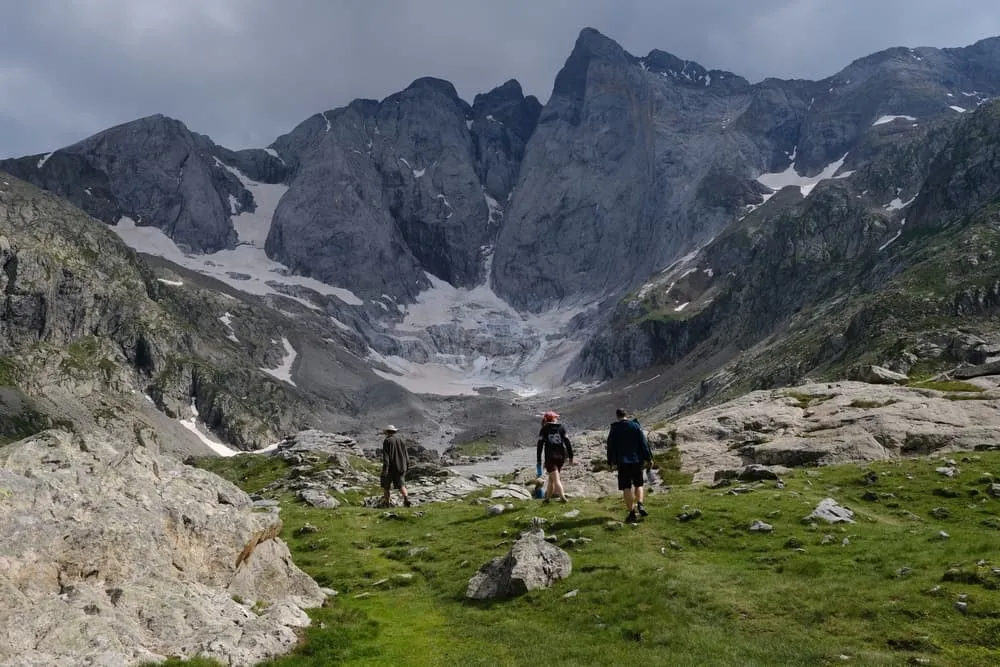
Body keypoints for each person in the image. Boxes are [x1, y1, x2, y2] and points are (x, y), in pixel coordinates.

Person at [606, 408, 652, 523]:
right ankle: (640, 504)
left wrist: (610, 462)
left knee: (626, 487)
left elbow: (610, 446)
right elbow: (643, 443)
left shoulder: (614, 429)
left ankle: (631, 513)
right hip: (637, 460)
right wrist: (649, 458)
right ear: (627, 415)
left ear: (617, 416)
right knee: (639, 484)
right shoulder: (635, 426)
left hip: (622, 462)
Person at [536, 410, 573, 503]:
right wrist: (571, 456)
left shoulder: (544, 429)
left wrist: (539, 460)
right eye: (556, 417)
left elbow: (539, 445)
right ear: (553, 419)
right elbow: (567, 442)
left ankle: (562, 497)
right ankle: (547, 498)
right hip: (561, 457)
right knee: (551, 478)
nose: (557, 418)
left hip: (550, 457)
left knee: (555, 479)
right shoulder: (561, 428)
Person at [380, 425, 411, 507]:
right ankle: (406, 499)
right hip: (401, 467)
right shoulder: (401, 440)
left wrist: (385, 471)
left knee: (386, 487)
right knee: (401, 485)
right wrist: (407, 465)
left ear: (387, 432)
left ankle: (387, 504)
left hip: (391, 468)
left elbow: (386, 458)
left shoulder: (387, 441)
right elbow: (406, 454)